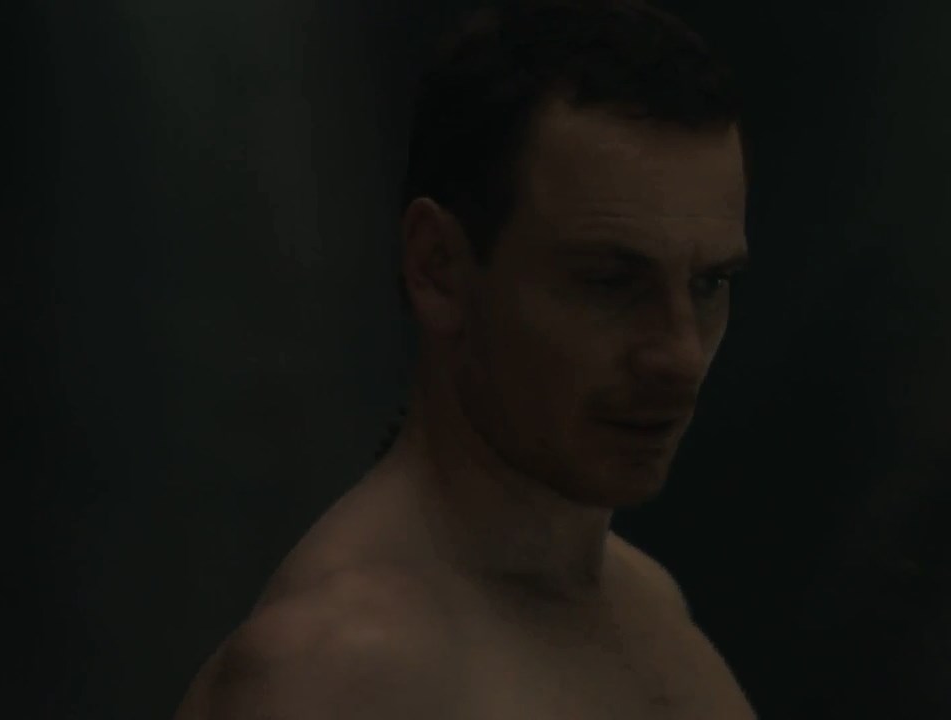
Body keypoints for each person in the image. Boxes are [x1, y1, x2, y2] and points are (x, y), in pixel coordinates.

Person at [175, 1, 755, 717]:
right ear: (439, 268)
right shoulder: (331, 677)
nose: (681, 355)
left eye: (708, 285)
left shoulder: (647, 606)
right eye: (610, 282)